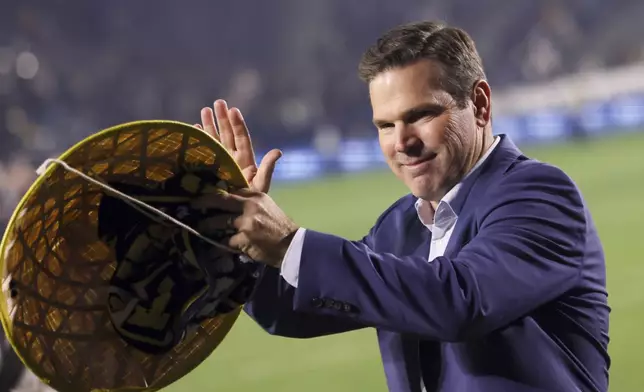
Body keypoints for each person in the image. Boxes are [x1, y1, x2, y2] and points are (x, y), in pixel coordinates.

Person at [194, 21, 610, 392]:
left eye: (421, 115)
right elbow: (290, 310)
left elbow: (460, 301)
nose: (402, 143)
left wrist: (289, 243)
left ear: (480, 104)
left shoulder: (539, 195)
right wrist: (237, 233)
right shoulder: (398, 226)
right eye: (385, 125)